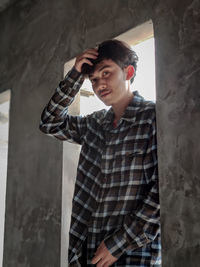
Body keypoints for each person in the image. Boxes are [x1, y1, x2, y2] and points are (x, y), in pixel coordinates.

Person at [39, 39, 161, 267]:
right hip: (86, 252)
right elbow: (49, 123)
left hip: (133, 254)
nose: (99, 84)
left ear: (129, 72)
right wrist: (75, 76)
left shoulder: (153, 117)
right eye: (93, 80)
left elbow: (163, 190)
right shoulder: (94, 124)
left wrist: (119, 243)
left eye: (106, 73)